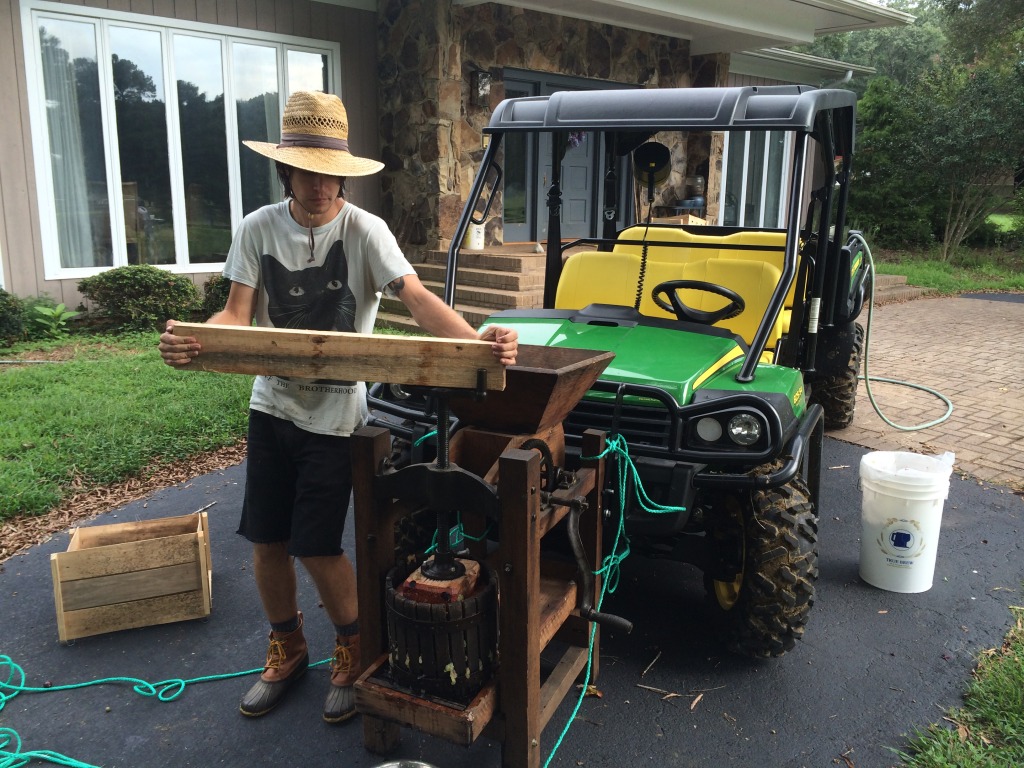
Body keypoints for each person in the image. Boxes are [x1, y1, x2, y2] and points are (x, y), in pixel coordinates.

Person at [157, 90, 518, 724]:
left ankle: (350, 648)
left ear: (342, 173)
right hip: (271, 405)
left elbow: (415, 299)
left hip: (334, 418)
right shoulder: (258, 228)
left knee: (317, 545)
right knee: (266, 540)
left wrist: (477, 340)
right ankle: (288, 645)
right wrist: (198, 340)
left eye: (330, 171)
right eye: (305, 169)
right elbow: (237, 315)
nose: (319, 184)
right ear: (286, 171)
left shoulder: (365, 231)